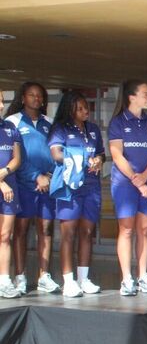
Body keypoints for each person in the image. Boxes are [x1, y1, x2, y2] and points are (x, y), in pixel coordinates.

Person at [108, 80, 147, 296]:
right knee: (127, 229)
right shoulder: (118, 122)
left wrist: (145, 177)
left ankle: (142, 276)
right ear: (132, 97)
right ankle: (127, 278)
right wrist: (134, 178)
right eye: (146, 94)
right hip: (124, 183)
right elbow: (116, 154)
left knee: (145, 230)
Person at [48, 91, 104, 297]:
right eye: (79, 108)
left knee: (87, 233)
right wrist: (81, 157)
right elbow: (56, 154)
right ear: (69, 109)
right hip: (69, 187)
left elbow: (101, 153)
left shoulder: (93, 129)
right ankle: (68, 280)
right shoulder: (60, 129)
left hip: (91, 186)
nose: (85, 111)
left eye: (86, 107)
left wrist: (98, 160)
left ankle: (83, 278)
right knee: (68, 234)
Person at [5, 82, 57, 294]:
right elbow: (16, 157)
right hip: (24, 185)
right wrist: (36, 176)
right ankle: (20, 276)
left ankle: (44, 276)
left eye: (39, 95)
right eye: (31, 95)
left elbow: (56, 153)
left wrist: (49, 177)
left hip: (48, 185)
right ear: (23, 97)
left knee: (46, 229)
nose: (36, 98)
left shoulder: (49, 123)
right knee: (21, 231)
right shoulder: (13, 122)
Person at [0, 93, 22, 299]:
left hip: (9, 187)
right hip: (4, 185)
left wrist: (4, 174)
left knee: (6, 236)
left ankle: (4, 280)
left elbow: (17, 159)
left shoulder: (9, 127)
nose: (0, 105)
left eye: (1, 101)